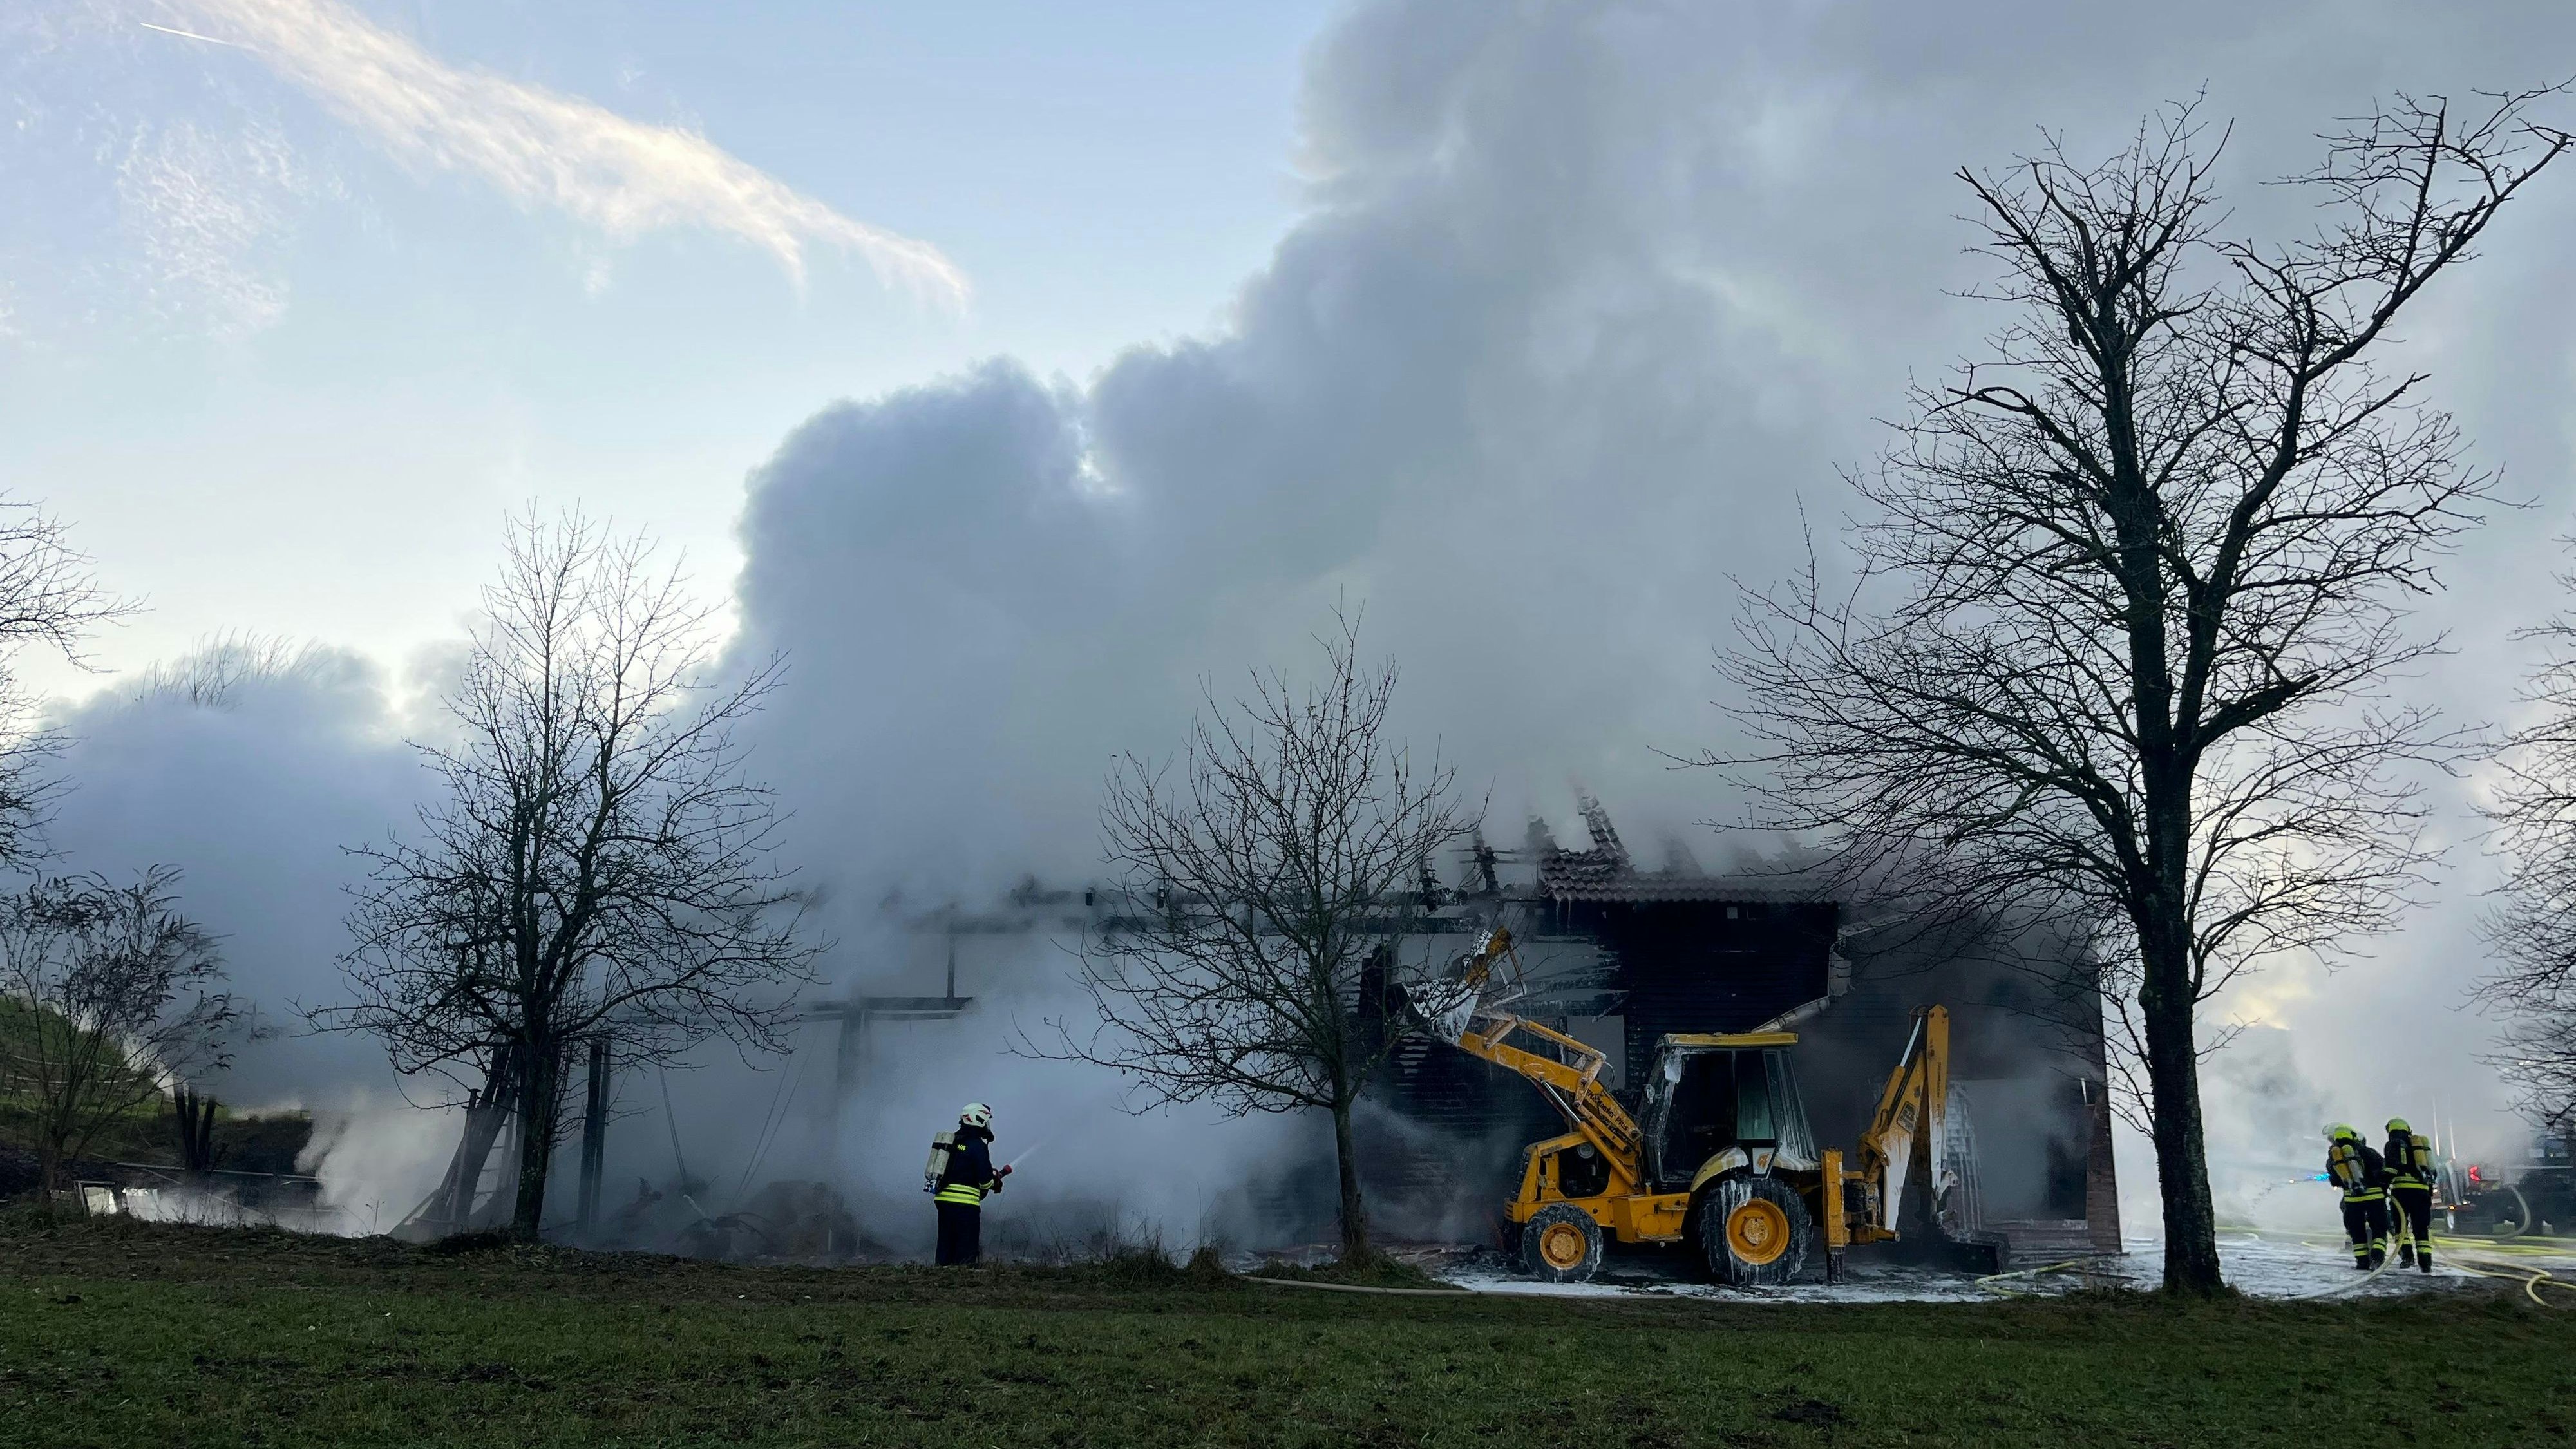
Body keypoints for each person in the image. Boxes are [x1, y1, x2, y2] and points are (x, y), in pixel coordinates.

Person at [930, 1101, 1009, 1266]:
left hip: (943, 1201)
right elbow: (985, 1182)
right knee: (966, 1246)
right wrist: (995, 1181)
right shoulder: (977, 1145)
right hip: (965, 1205)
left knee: (946, 1241)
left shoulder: (951, 1141)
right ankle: (964, 1277)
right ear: (979, 1119)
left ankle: (942, 1273)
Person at [2325, 1124, 2389, 1270]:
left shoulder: (2334, 1157)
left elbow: (2334, 1181)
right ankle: (2377, 1257)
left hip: (2352, 1201)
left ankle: (2362, 1263)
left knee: (2357, 1234)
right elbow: (2383, 1170)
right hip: (2375, 1198)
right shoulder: (2368, 1152)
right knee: (2379, 1229)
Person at [2383, 1117, 2436, 1273]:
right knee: (2421, 1228)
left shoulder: (2393, 1144)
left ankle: (2407, 1258)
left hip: (2402, 1192)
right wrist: (2429, 1190)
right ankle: (2426, 1263)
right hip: (2422, 1192)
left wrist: (2382, 1185)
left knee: (2400, 1227)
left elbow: (2392, 1168)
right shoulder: (2419, 1146)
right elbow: (2432, 1171)